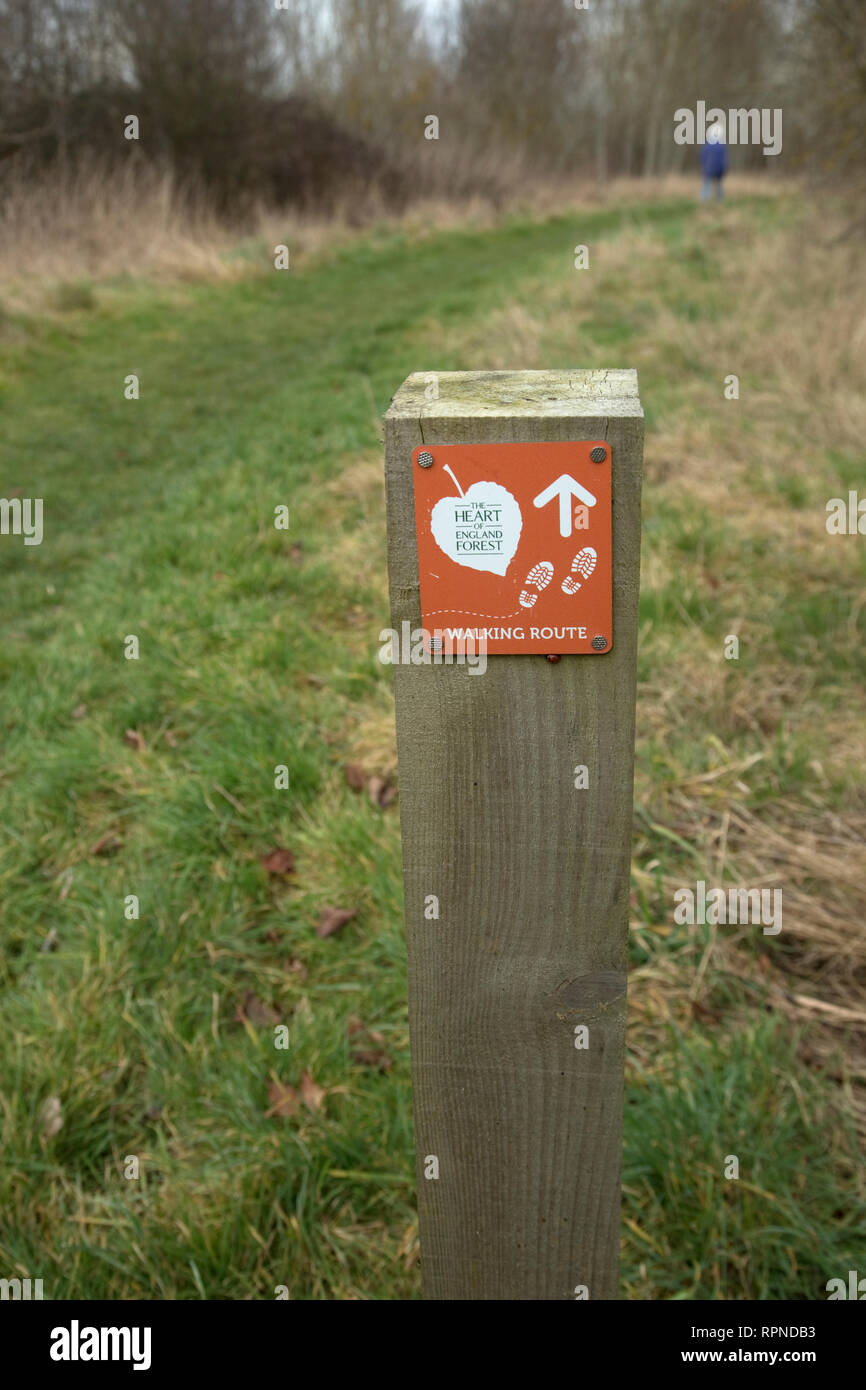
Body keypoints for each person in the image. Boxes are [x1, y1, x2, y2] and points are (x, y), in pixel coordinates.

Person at [700, 122, 728, 201]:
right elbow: (724, 160)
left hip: (708, 169)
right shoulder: (722, 146)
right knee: (718, 186)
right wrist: (724, 170)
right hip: (719, 170)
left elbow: (702, 156)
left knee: (706, 186)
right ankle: (719, 201)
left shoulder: (707, 145)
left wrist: (704, 167)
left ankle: (704, 201)